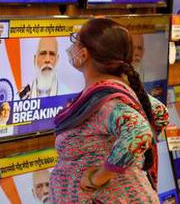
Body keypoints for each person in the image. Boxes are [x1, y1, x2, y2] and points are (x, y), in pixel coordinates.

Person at [50, 18, 168, 203]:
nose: (72, 46)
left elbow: (139, 132)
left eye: (76, 40)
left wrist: (100, 176)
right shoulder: (118, 90)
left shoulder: (105, 103)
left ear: (84, 53)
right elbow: (160, 114)